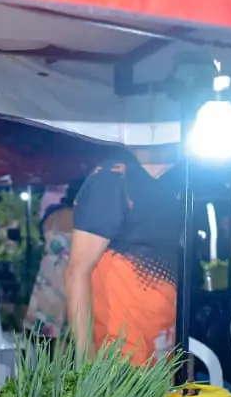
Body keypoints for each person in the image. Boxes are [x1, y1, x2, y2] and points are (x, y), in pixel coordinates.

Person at [67, 146, 180, 363]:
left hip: (161, 346)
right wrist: (86, 360)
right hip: (116, 354)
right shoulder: (114, 178)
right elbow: (77, 271)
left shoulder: (176, 181)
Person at [24, 178, 81, 337]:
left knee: (47, 337)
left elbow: (43, 235)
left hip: (47, 276)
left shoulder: (52, 213)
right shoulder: (83, 218)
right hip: (69, 277)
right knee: (70, 338)